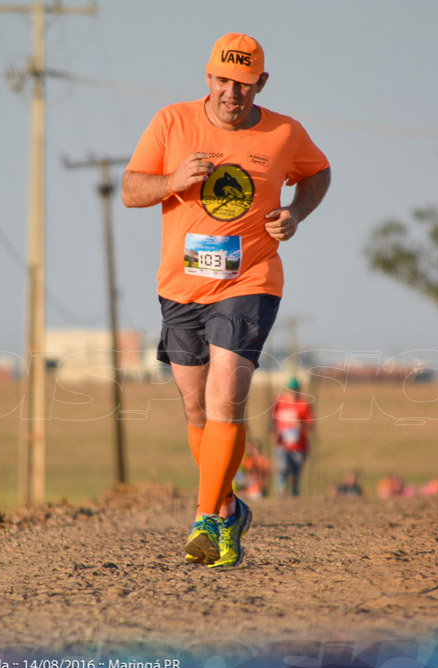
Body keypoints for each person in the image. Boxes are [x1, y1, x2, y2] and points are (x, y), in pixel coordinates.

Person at [122, 33, 331, 568]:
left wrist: (296, 213)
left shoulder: (284, 132)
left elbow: (317, 172)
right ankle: (230, 508)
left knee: (225, 398)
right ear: (207, 77)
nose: (231, 93)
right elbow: (130, 189)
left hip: (250, 281)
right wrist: (172, 180)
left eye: (243, 83)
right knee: (196, 407)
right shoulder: (172, 122)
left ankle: (205, 518)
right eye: (222, 80)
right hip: (181, 288)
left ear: (260, 83)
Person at [272, 376, 316, 497]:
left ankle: (295, 495)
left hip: (299, 446)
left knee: (296, 473)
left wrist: (300, 424)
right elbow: (272, 422)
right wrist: (274, 432)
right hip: (282, 445)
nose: (293, 393)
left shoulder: (304, 405)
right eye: (291, 390)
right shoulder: (279, 403)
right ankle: (281, 493)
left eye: (295, 390)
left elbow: (310, 424)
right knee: (282, 469)